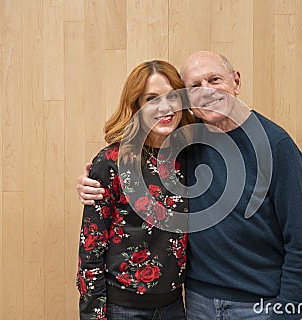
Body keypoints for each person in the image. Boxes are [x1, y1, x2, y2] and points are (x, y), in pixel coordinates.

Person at [77, 51, 302, 320]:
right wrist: (94, 181)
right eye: (194, 87)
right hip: (195, 303)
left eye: (215, 80)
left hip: (258, 306)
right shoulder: (186, 147)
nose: (206, 92)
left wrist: (287, 311)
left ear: (236, 81)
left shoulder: (275, 146)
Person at [76, 60, 194, 319]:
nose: (165, 108)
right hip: (122, 308)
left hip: (175, 306)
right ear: (137, 105)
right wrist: (93, 314)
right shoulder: (112, 162)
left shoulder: (189, 158)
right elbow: (91, 249)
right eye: (152, 99)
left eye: (172, 97)